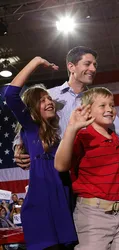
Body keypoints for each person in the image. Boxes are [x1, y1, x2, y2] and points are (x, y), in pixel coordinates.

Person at [13, 46, 119, 169]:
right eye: (87, 64)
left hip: (87, 176)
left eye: (95, 65)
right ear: (71, 67)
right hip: (55, 174)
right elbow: (28, 124)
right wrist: (18, 147)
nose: (93, 69)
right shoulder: (49, 97)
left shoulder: (97, 103)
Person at [54, 87, 119, 249]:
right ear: (88, 110)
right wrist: (71, 128)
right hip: (93, 215)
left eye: (112, 105)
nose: (109, 109)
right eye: (103, 105)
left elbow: (116, 178)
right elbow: (60, 165)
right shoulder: (82, 136)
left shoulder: (115, 139)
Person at [4, 57, 78, 250]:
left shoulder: (59, 136)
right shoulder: (30, 128)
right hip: (41, 210)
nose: (48, 102)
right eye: (42, 100)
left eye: (49, 99)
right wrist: (36, 62)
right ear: (31, 110)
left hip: (64, 205)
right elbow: (11, 94)